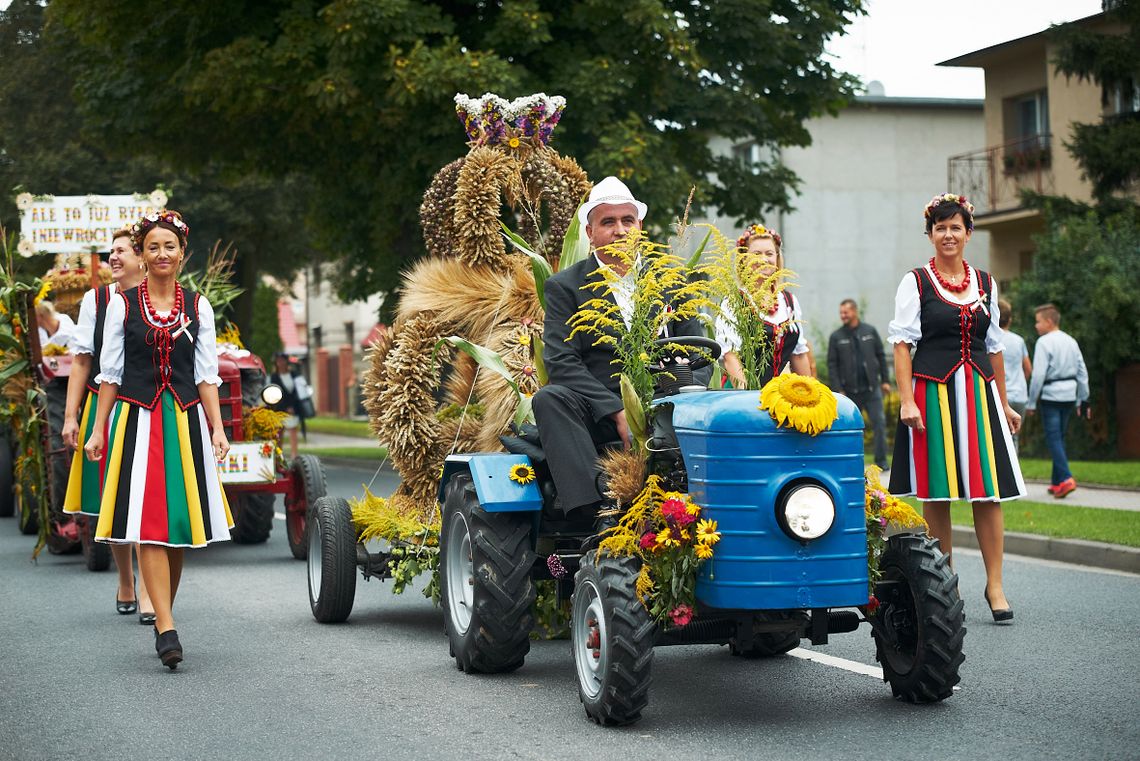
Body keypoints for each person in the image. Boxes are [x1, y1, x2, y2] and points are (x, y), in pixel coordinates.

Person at [84, 210, 233, 669]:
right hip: (139, 420)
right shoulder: (122, 305)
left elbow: (206, 375)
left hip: (184, 421)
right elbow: (109, 374)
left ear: (182, 253)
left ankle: (165, 609)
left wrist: (218, 427)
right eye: (152, 247)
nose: (161, 253)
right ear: (142, 256)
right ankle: (166, 628)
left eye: (170, 246)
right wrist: (98, 428)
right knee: (149, 522)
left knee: (179, 532)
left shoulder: (199, 306)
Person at [534, 176, 708, 527]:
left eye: (627, 221)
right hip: (598, 413)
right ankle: (599, 515)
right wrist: (617, 411)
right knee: (549, 399)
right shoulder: (565, 287)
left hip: (669, 401)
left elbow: (699, 352)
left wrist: (680, 390)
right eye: (608, 222)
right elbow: (561, 361)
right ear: (590, 232)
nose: (619, 230)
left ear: (639, 226)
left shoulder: (671, 281)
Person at [887, 193, 1025, 624]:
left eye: (956, 227)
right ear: (930, 235)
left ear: (968, 232)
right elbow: (902, 345)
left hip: (980, 395)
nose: (948, 234)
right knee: (939, 493)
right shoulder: (916, 282)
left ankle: (996, 584)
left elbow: (994, 346)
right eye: (940, 228)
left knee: (988, 493)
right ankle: (945, 585)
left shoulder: (985, 283)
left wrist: (1004, 404)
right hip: (934, 394)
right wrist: (907, 398)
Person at [61, 230, 154, 623]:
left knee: (147, 499)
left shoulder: (160, 296)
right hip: (105, 406)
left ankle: (150, 593)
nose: (112, 258)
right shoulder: (95, 300)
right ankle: (126, 580)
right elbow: (82, 360)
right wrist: (70, 416)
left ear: (140, 258)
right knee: (111, 499)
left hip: (148, 406)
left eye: (120, 251)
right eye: (110, 252)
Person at [715, 224, 811, 388]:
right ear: (744, 259)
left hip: (778, 395)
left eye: (769, 253)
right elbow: (731, 356)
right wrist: (749, 398)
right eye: (756, 254)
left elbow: (799, 355)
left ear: (777, 258)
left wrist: (811, 395)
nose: (764, 259)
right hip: (741, 393)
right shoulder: (734, 301)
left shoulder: (789, 302)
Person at [1025, 303, 1089, 499]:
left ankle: (1067, 478)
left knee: (1053, 439)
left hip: (1051, 396)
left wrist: (1031, 402)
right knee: (1059, 438)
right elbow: (1082, 372)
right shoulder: (1071, 341)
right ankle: (1056, 483)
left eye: (1038, 322)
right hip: (1069, 396)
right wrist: (1083, 399)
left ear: (1049, 321)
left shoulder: (1044, 342)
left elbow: (1038, 376)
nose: (1036, 326)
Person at [827, 299, 892, 469]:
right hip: (849, 393)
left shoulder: (869, 331)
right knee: (848, 429)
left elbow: (881, 356)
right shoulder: (836, 337)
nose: (843, 316)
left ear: (854, 312)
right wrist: (837, 389)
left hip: (872, 390)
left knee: (879, 425)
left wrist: (885, 380)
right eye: (841, 313)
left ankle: (881, 462)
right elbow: (832, 365)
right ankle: (849, 461)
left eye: (846, 312)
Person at [997, 298, 1032, 453]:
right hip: (1019, 395)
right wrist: (1019, 382)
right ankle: (1015, 473)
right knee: (1014, 436)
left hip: (1000, 394)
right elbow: (1028, 368)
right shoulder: (1019, 340)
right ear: (1009, 320)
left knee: (997, 437)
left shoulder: (990, 339)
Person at [269, 352, 301, 458]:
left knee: (293, 431)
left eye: (282, 360)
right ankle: (279, 455)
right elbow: (275, 393)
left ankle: (294, 455)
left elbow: (297, 391)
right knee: (279, 433)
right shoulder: (274, 377)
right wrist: (284, 407)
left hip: (293, 407)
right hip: (280, 409)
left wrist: (292, 406)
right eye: (278, 361)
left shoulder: (293, 375)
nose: (280, 363)